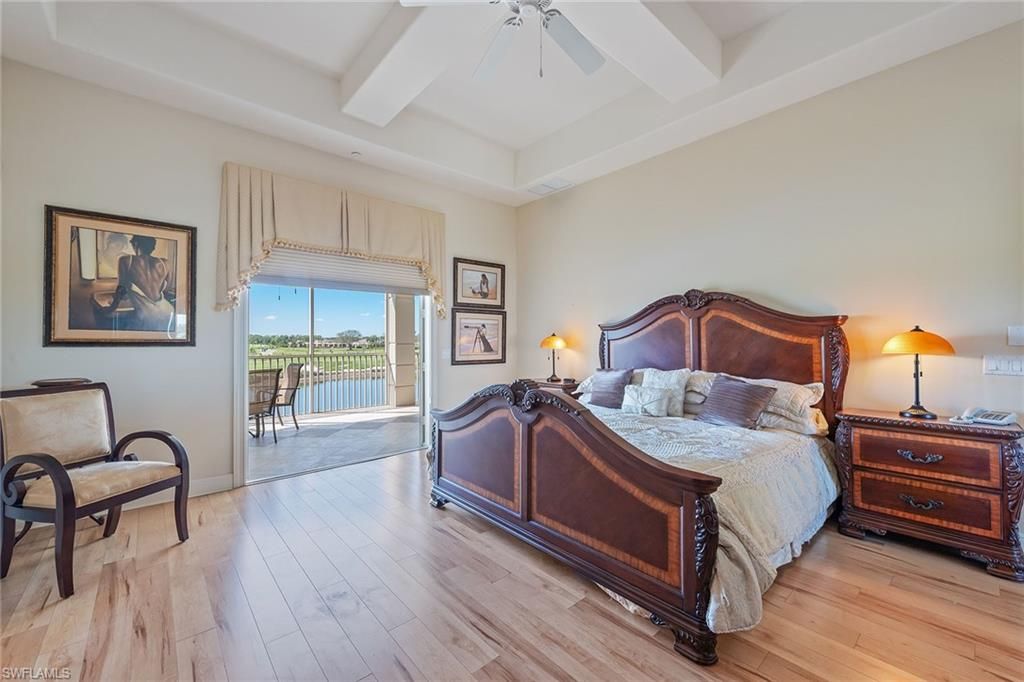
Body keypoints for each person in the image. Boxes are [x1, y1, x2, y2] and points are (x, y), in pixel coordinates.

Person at [103, 234, 174, 332]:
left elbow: (121, 291)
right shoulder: (165, 263)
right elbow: (167, 290)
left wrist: (110, 308)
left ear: (136, 244)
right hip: (167, 312)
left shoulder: (126, 261)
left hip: (146, 316)